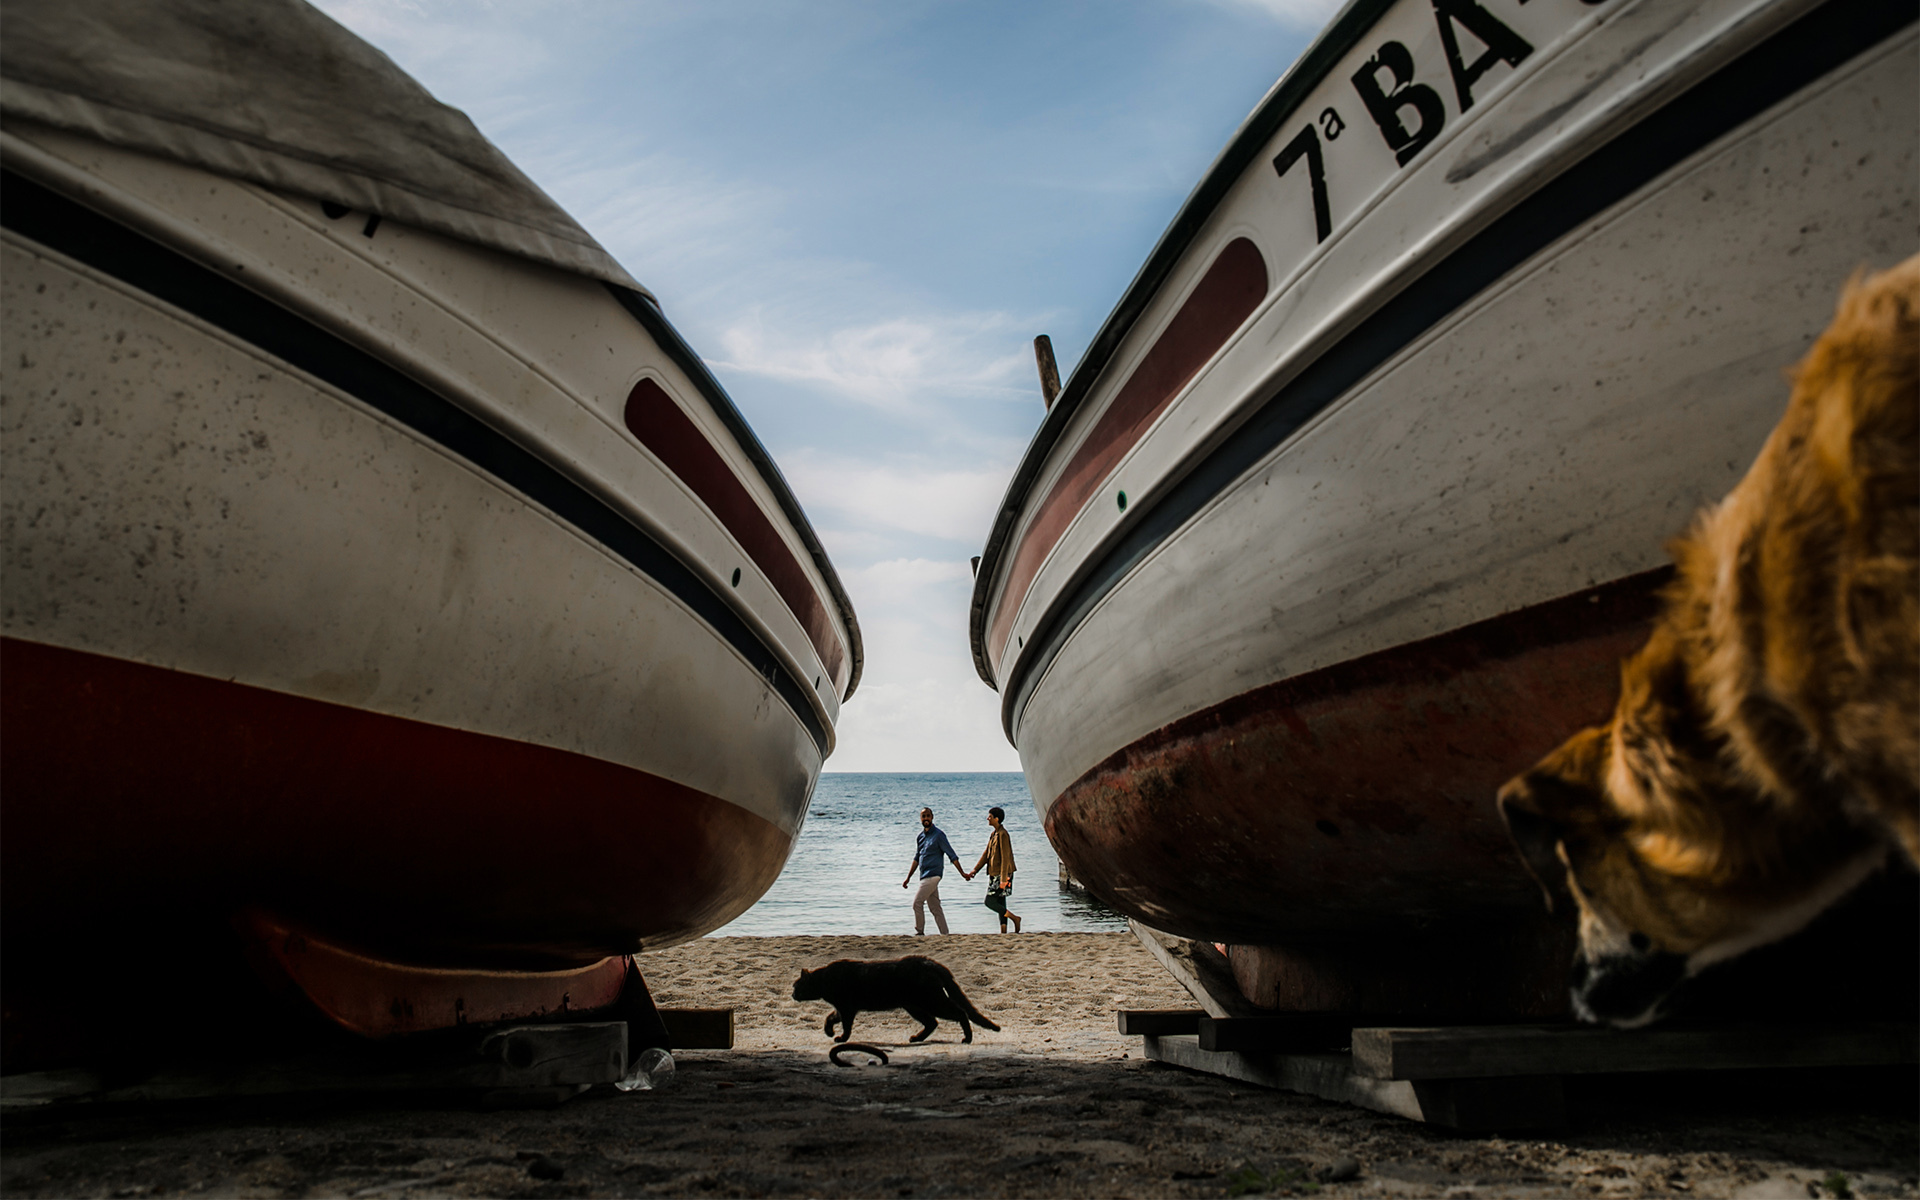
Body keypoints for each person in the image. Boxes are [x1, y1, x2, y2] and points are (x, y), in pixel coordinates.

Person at [901, 806, 965, 935]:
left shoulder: (939, 835)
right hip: (924, 875)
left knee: (917, 903)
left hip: (934, 875)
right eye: (923, 816)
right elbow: (917, 858)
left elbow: (951, 855)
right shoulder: (920, 837)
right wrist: (908, 877)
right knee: (935, 908)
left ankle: (919, 932)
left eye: (928, 816)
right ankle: (945, 934)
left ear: (932, 817)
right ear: (920, 819)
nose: (926, 818)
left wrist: (962, 873)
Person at [969, 806, 1022, 933]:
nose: (988, 818)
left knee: (990, 902)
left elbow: (1005, 858)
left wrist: (1004, 879)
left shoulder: (1003, 835)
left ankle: (1015, 918)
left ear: (996, 819)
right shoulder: (994, 834)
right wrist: (975, 870)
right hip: (994, 874)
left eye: (990, 817)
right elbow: (986, 855)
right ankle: (1003, 930)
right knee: (1000, 902)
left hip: (1002, 874)